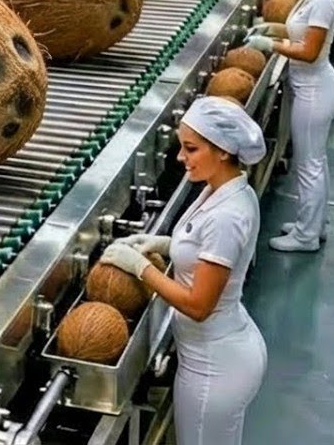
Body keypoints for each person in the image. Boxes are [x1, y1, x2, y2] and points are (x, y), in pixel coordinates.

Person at [101, 96, 267, 445]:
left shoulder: (227, 214)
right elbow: (206, 247)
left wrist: (141, 268)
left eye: (190, 149)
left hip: (215, 368)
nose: (180, 158)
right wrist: (161, 244)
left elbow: (198, 305)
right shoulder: (223, 188)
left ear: (222, 150)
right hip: (222, 348)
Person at [245, 0, 334, 252]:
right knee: (315, 161)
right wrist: (272, 29)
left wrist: (271, 46)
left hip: (316, 90)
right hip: (310, 86)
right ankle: (315, 223)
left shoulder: (325, 1)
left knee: (309, 163)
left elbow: (311, 51)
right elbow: (301, 32)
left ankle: (306, 236)